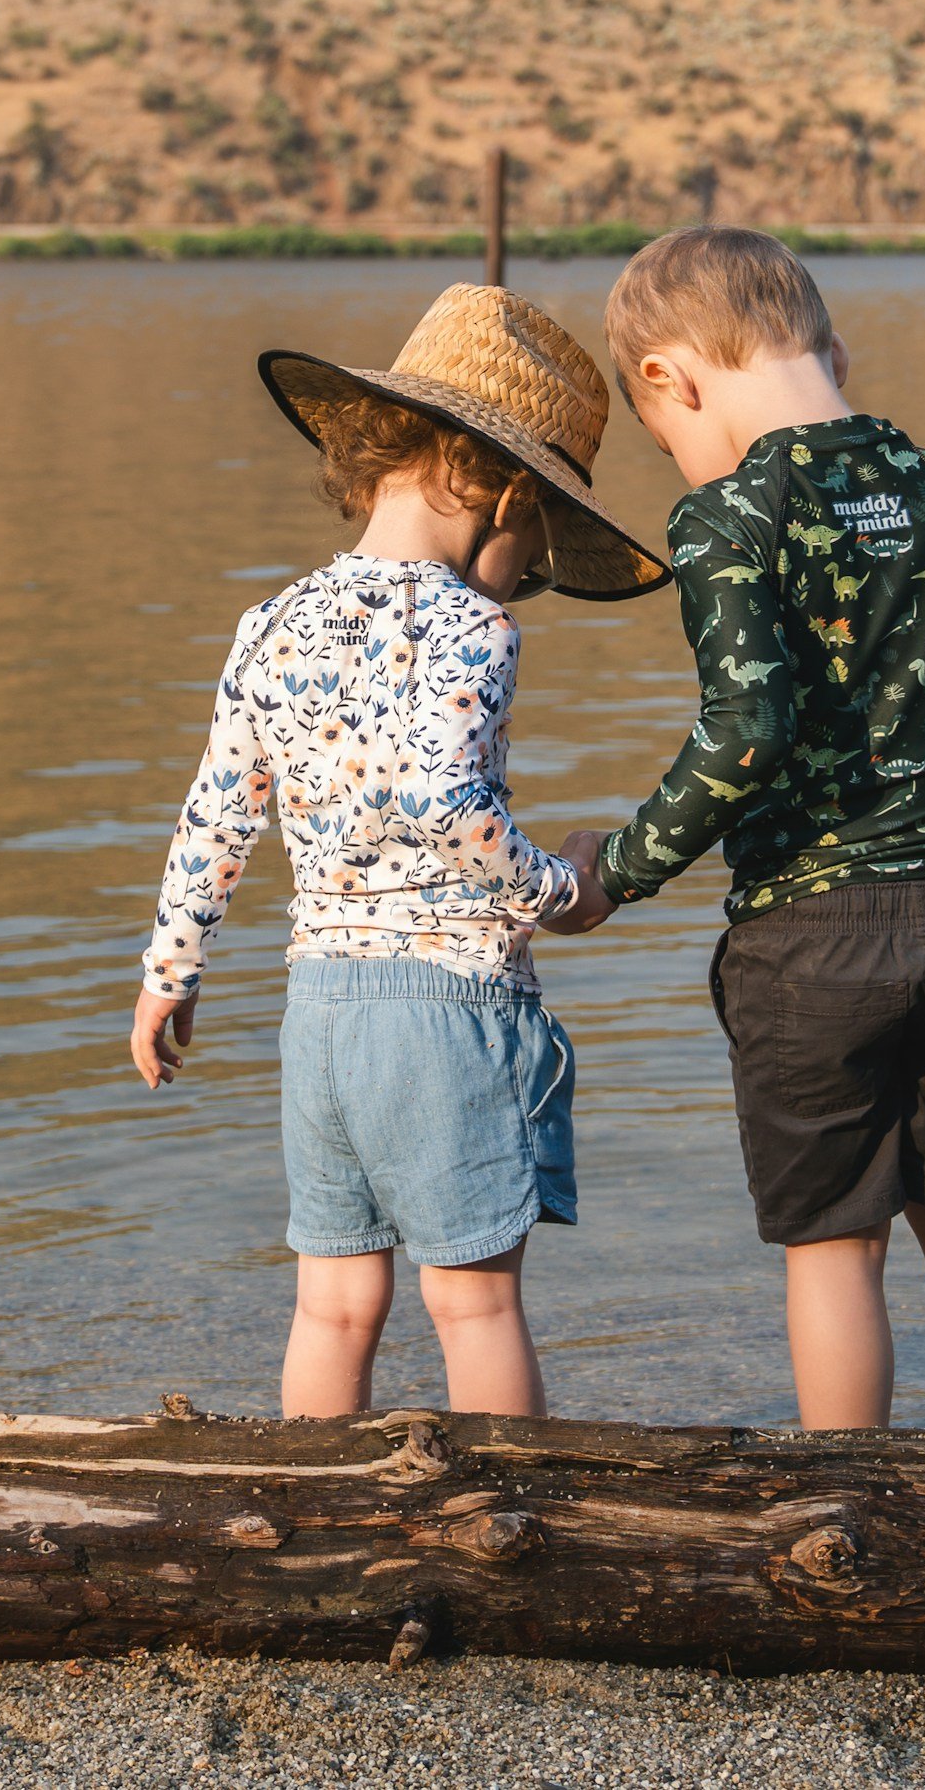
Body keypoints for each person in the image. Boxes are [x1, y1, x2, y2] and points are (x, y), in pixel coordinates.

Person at [559, 228, 925, 1430]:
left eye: (663, 437)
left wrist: (621, 871)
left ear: (668, 378)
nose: (677, 456)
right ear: (830, 348)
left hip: (811, 941)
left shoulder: (724, 518)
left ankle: (849, 1513)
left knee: (833, 1246)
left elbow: (746, 731)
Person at [130, 283, 667, 1418]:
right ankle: (515, 1526)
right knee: (472, 1307)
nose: (524, 575)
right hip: (448, 1013)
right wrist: (562, 890)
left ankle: (309, 1522)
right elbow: (445, 796)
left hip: (319, 1015)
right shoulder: (470, 625)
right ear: (502, 489)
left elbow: (215, 811)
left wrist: (167, 975)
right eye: (534, 545)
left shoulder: (271, 620)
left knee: (330, 1306)